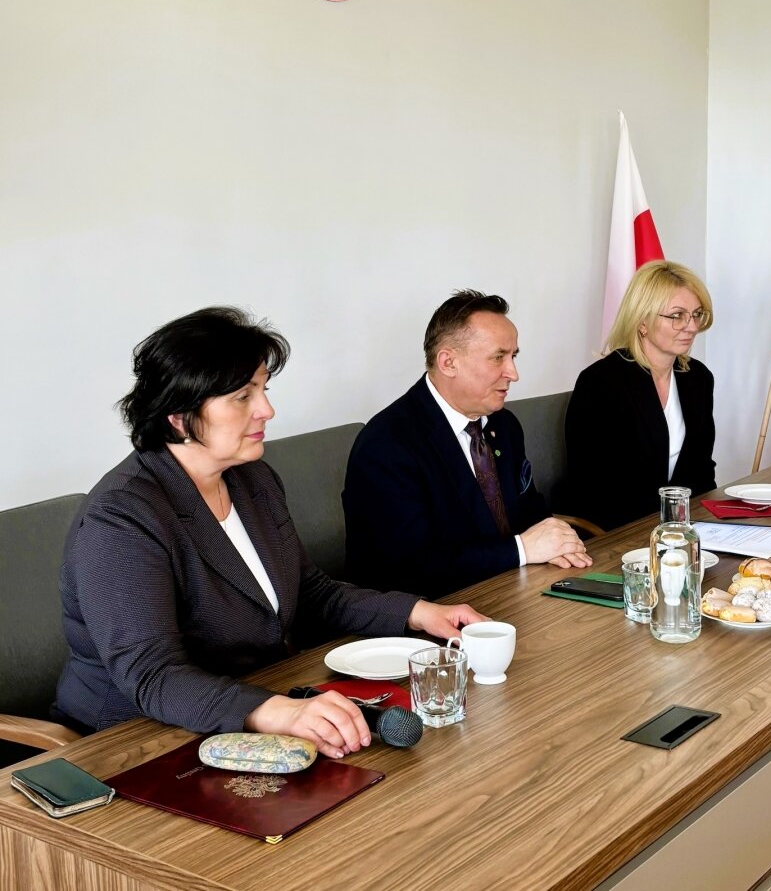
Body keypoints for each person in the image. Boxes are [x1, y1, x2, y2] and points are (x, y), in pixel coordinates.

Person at [54, 306, 485, 760]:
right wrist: (274, 711)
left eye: (263, 390)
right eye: (243, 396)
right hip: (135, 742)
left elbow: (311, 593)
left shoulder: (251, 478)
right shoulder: (122, 517)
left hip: (256, 702)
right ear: (178, 416)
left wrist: (418, 613)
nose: (267, 410)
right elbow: (153, 676)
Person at [343, 290, 591, 599]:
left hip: (512, 591)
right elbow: (411, 568)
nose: (513, 373)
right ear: (448, 362)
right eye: (498, 357)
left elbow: (530, 510)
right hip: (428, 613)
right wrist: (521, 549)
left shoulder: (504, 425)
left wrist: (561, 543)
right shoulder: (387, 446)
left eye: (513, 356)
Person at [565, 261, 716, 531]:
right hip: (616, 531)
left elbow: (702, 470)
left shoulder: (698, 378)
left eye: (696, 315)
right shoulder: (600, 383)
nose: (691, 326)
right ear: (643, 321)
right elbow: (596, 486)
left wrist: (710, 525)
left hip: (684, 528)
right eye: (677, 316)